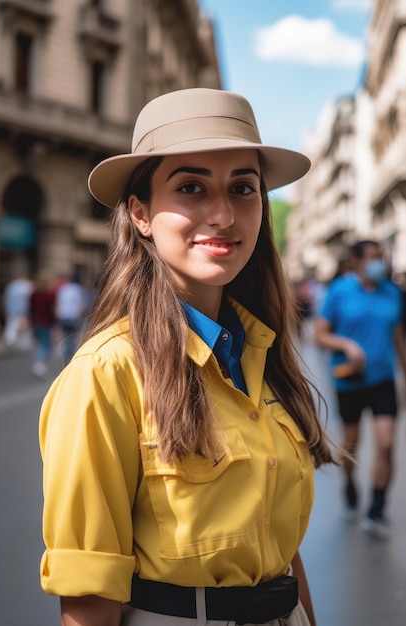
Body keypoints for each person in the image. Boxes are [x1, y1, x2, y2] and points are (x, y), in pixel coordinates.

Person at [39, 88, 338, 626]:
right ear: (141, 214)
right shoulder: (104, 374)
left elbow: (281, 555)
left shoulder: (260, 354)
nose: (223, 214)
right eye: (192, 187)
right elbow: (87, 596)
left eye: (243, 188)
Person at [314, 240, 406, 538]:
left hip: (383, 380)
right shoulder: (339, 291)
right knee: (351, 447)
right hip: (349, 381)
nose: (380, 263)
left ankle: (377, 507)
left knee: (387, 442)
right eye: (374, 258)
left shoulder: (392, 292)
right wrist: (347, 345)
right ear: (356, 261)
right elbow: (319, 335)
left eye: (382, 257)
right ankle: (350, 482)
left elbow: (398, 336)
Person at [55, 270, 88, 365]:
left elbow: (58, 302)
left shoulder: (63, 288)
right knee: (72, 337)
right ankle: (71, 357)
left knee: (66, 336)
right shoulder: (78, 290)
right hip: (73, 316)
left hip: (62, 315)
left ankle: (67, 356)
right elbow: (82, 304)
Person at [30, 269, 56, 377]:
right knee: (46, 345)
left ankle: (39, 363)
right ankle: (38, 363)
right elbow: (52, 310)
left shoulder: (34, 294)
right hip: (46, 322)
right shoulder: (50, 295)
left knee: (40, 343)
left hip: (36, 321)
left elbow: (31, 307)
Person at [2, 269, 33, 350]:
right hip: (25, 310)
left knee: (11, 326)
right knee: (25, 328)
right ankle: (24, 344)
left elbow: (7, 298)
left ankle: (10, 341)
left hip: (13, 310)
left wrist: (6, 309)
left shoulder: (11, 286)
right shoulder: (28, 285)